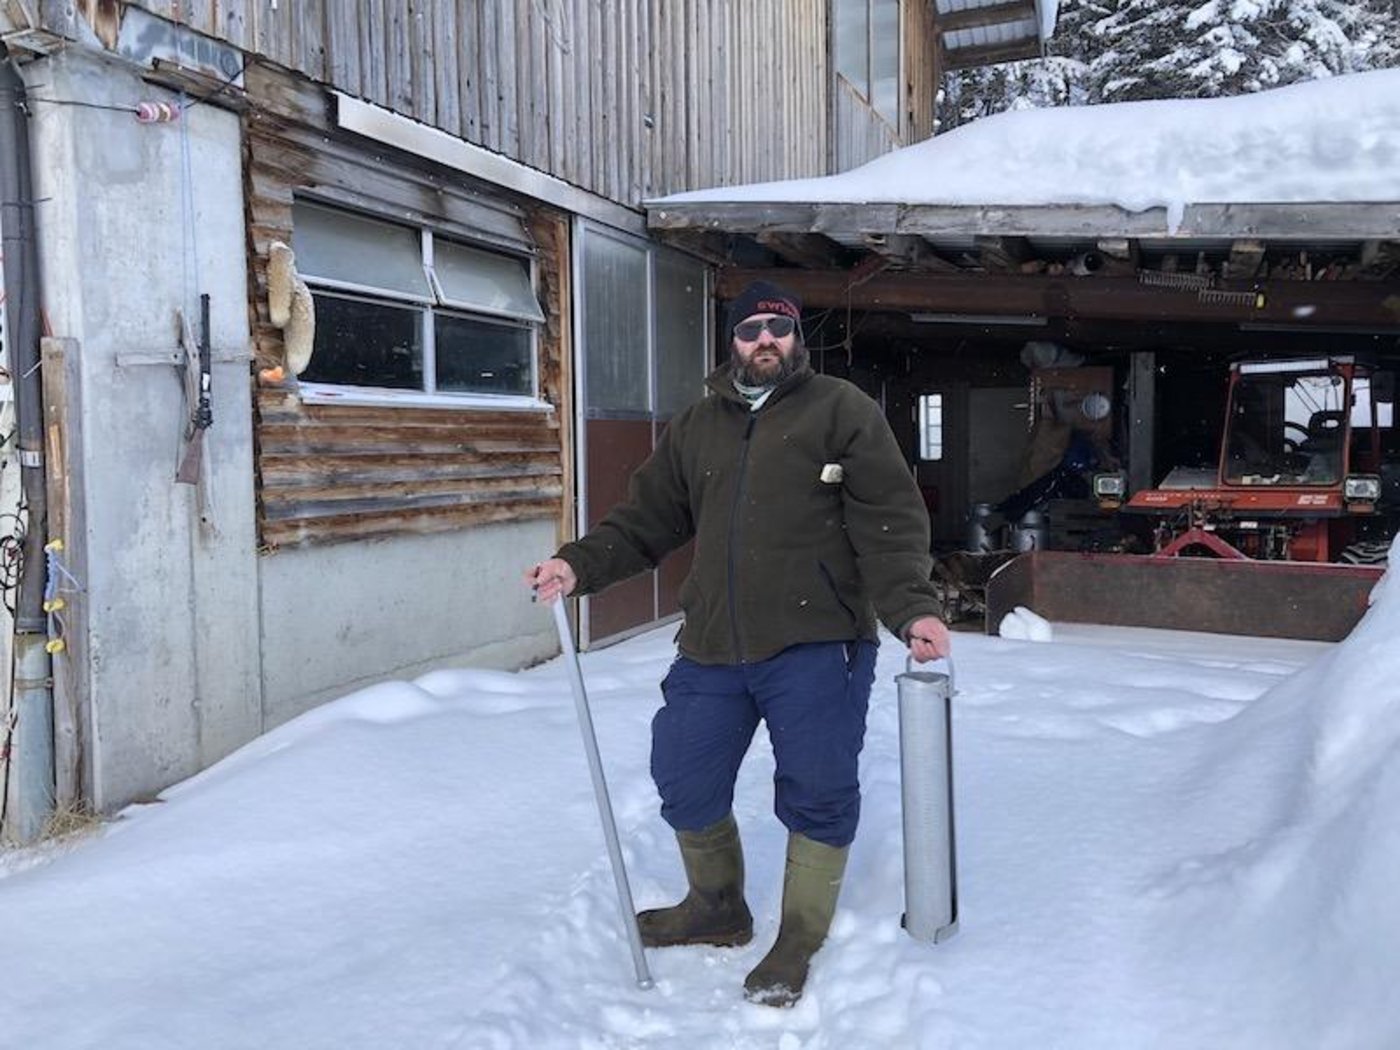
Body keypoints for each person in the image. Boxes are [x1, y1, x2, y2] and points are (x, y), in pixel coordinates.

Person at [526, 279, 950, 1007]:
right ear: (732, 340)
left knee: (818, 790)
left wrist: (912, 609)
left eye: (778, 328)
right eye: (752, 328)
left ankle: (800, 933)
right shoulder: (697, 426)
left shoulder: (840, 411)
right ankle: (717, 907)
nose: (765, 340)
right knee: (683, 776)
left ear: (797, 339)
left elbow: (888, 522)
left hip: (818, 642)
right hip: (714, 643)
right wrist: (577, 564)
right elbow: (644, 521)